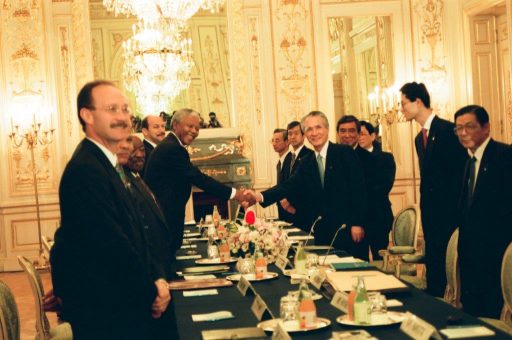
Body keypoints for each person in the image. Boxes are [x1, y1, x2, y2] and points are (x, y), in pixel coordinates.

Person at [50, 80, 170, 339]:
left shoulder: (111, 166)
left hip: (123, 306)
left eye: (125, 109)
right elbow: (112, 246)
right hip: (109, 314)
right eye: (112, 109)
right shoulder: (85, 170)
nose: (122, 117)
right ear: (87, 115)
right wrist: (152, 292)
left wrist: (158, 277)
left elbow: (138, 231)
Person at [244, 111, 367, 256]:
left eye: (318, 127)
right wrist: (259, 196)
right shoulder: (307, 162)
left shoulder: (344, 153)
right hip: (322, 232)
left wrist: (357, 223)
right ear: (306, 134)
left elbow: (359, 189)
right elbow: (288, 185)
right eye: (309, 129)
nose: (314, 133)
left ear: (326, 129)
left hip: (347, 229)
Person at [144, 108, 250, 251]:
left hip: (167, 215)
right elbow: (198, 178)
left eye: (197, 128)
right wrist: (235, 194)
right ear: (175, 125)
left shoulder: (172, 145)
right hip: (165, 217)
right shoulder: (172, 148)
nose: (194, 131)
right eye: (190, 126)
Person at [400, 82, 467, 297]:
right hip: (431, 214)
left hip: (451, 213)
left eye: (403, 104)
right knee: (435, 266)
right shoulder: (419, 139)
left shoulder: (448, 131)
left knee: (453, 267)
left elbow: (460, 173)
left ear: (418, 102)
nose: (401, 109)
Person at [454, 105, 512, 318]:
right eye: (458, 128)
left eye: (469, 127)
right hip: (471, 253)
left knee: (492, 313)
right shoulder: (469, 160)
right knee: (473, 313)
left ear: (486, 128)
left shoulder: (504, 156)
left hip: (495, 251)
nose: (463, 133)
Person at [118, 135, 179, 338]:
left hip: (160, 267)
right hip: (149, 273)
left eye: (142, 149)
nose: (139, 154)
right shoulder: (123, 180)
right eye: (133, 149)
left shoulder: (136, 177)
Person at [337, 115, 389, 261]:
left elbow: (370, 193)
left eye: (352, 131)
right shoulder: (333, 158)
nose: (347, 135)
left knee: (362, 264)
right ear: (338, 133)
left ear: (358, 133)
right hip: (341, 223)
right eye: (343, 131)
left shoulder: (371, 159)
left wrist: (357, 222)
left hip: (369, 220)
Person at [358, 120, 396, 258]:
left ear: (372, 136)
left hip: (379, 215)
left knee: (380, 256)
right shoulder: (352, 157)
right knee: (359, 259)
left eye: (362, 134)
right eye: (357, 134)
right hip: (358, 218)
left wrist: (361, 193)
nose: (359, 137)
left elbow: (385, 185)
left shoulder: (385, 158)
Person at [279, 121, 315, 232]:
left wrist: (292, 205)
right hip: (286, 213)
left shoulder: (310, 155)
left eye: (296, 133)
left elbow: (309, 186)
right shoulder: (288, 158)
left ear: (303, 135)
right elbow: (283, 184)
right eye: (290, 134)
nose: (292, 136)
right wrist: (283, 202)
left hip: (302, 212)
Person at [271, 128, 292, 222]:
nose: (274, 144)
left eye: (277, 140)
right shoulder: (279, 163)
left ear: (287, 142)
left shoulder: (292, 160)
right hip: (281, 208)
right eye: (272, 140)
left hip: (291, 208)